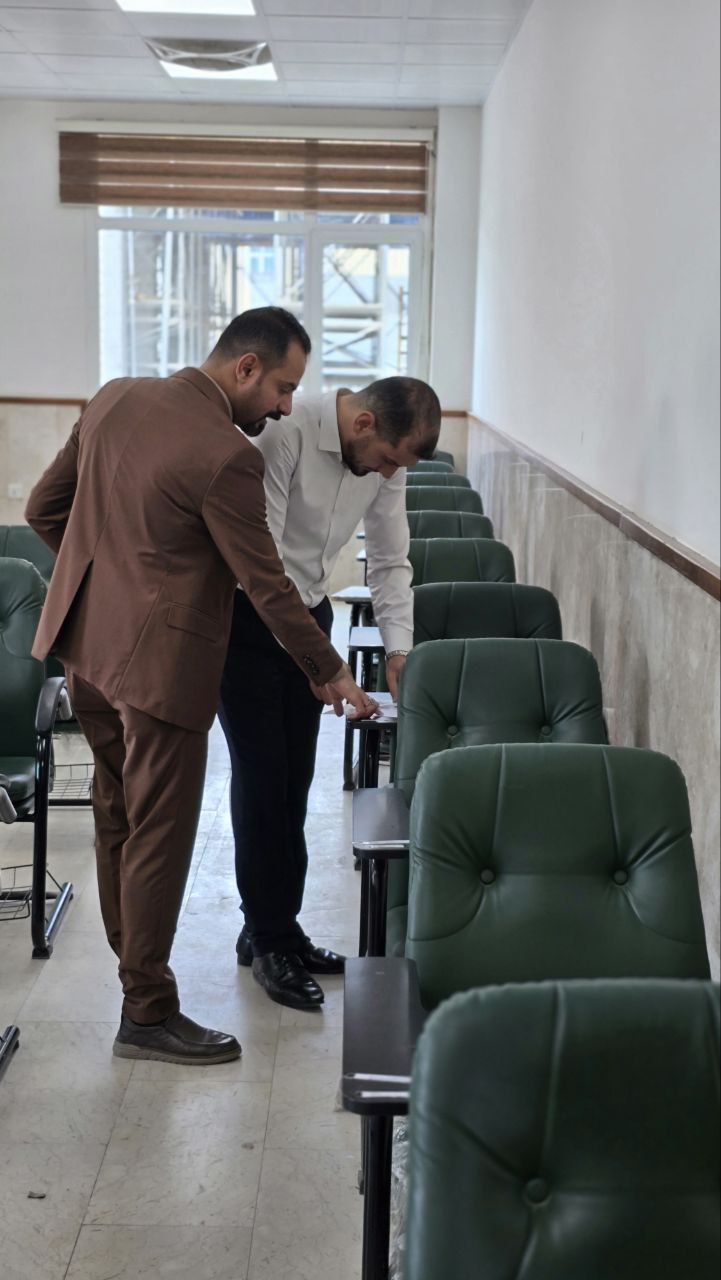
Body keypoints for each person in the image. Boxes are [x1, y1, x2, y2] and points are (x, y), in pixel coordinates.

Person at [25, 307, 376, 1067]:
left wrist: (112, 583)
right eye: (282, 387)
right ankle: (147, 1012)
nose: (285, 406)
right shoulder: (226, 456)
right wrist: (329, 669)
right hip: (160, 672)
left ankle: (133, 969)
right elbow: (268, 585)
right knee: (159, 834)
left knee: (118, 816)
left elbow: (43, 509)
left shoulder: (115, 396)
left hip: (87, 652)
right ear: (245, 368)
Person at [218, 376, 441, 1011]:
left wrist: (399, 651)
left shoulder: (384, 462)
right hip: (248, 619)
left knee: (294, 782)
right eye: (389, 460)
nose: (390, 474)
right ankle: (270, 943)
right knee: (262, 781)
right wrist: (323, 662)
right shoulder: (284, 433)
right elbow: (262, 564)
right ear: (364, 423)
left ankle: (274, 929)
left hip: (309, 614)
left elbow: (390, 561)